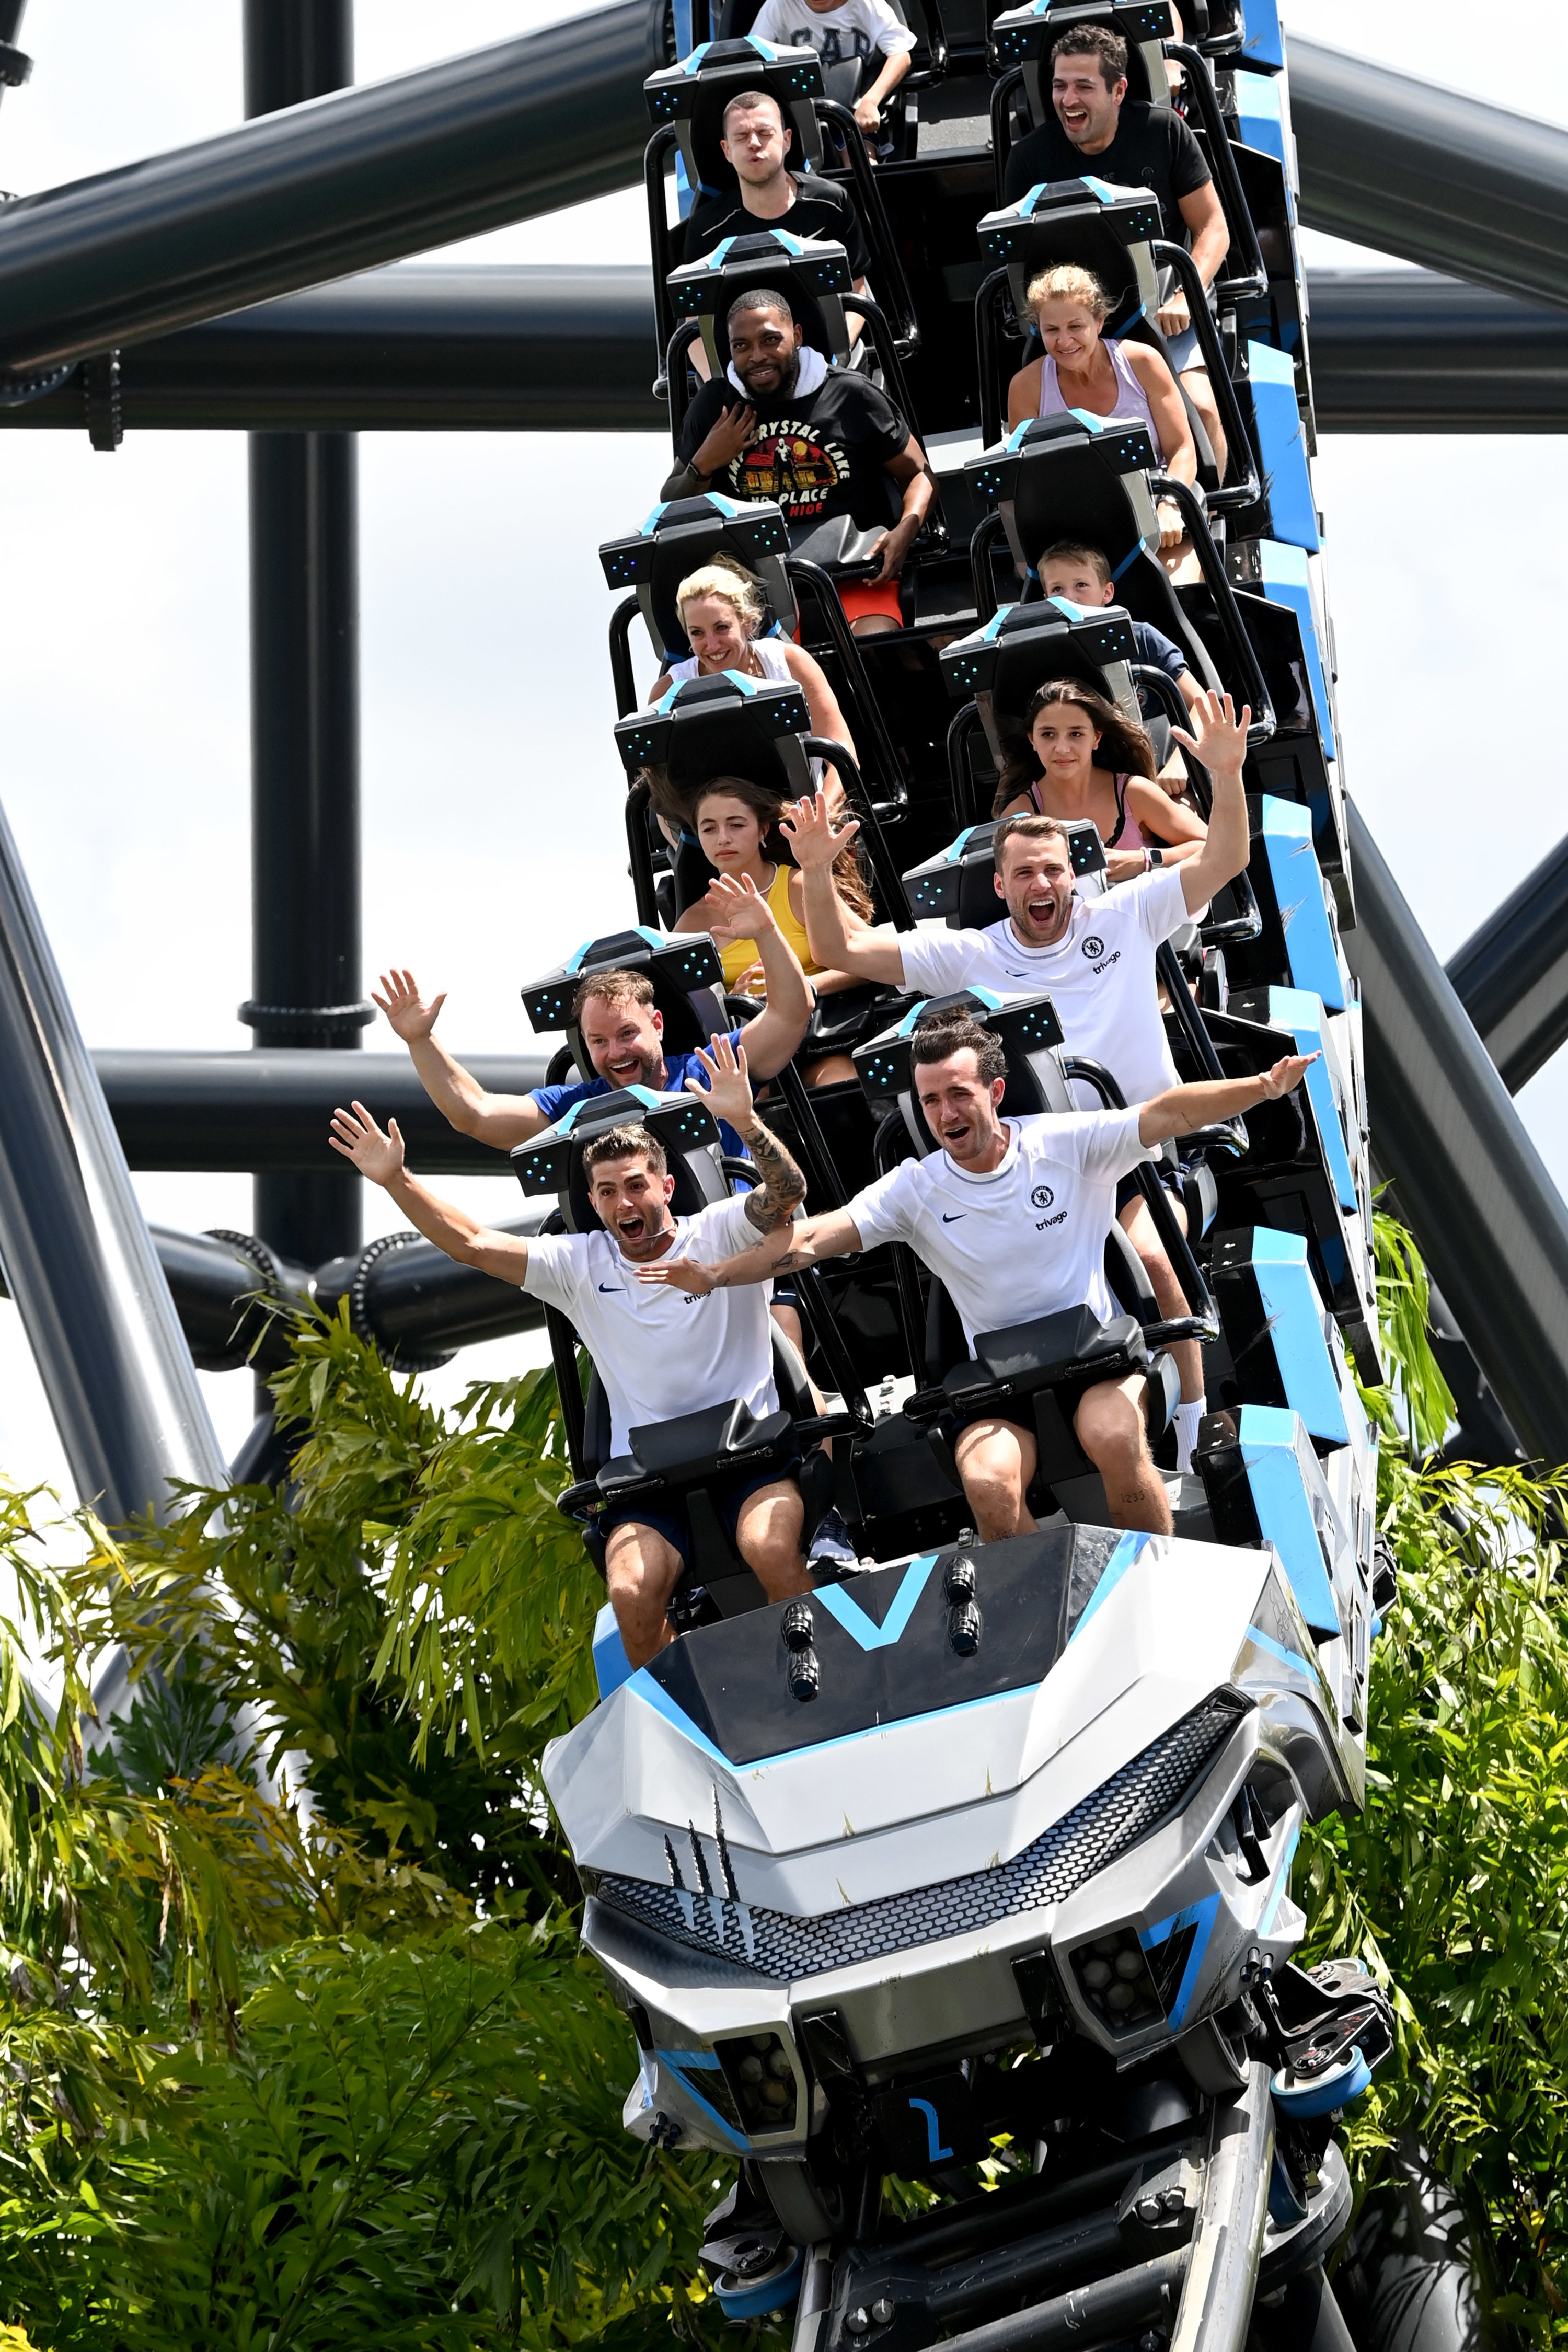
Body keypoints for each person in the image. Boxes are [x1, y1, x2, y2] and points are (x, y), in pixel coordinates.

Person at [784, 687, 1253, 1472]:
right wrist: (815, 872)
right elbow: (845, 952)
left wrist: (1228, 777)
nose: (1042, 887)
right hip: (1026, 1158)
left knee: (1159, 1262)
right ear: (1000, 888)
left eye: (1054, 871)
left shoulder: (1125, 913)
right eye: (1024, 874)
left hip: (1127, 1143)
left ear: (1077, 877)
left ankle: (1195, 1417)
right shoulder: (972, 954)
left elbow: (1226, 859)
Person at [636, 1017, 1316, 1541]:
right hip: (996, 1386)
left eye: (959, 1095)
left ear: (994, 1091)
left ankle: (1157, 1587)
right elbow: (811, 1239)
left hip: (1097, 1360)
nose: (946, 1115)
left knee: (1112, 1436)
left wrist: (1259, 1089)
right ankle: (1063, 1603)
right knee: (988, 1485)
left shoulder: (1063, 1143)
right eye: (930, 1102)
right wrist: (719, 1273)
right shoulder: (915, 1187)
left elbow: (1166, 1114)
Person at [328, 1037, 818, 1668]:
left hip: (752, 1453)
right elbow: (473, 1243)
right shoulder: (580, 1264)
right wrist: (397, 1179)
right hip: (649, 1478)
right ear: (593, 1203)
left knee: (770, 1549)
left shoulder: (720, 1228)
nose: (625, 1203)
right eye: (609, 1192)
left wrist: (745, 1121)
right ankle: (692, 1722)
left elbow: (788, 1193)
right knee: (631, 1592)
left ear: (666, 1185)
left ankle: (825, 1672)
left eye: (636, 1185)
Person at [1002, 24, 1230, 479]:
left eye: (1084, 87)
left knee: (1202, 411)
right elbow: (1014, 256)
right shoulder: (1028, 159)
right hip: (1073, 314)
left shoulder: (1163, 131)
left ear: (1119, 90)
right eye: (1059, 86)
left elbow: (1213, 228)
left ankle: (1201, 519)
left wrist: (1186, 296)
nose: (1068, 100)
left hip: (1162, 303)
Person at [661, 285, 933, 635]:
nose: (757, 356)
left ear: (798, 336)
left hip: (855, 570)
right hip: (761, 589)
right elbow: (670, 508)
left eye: (770, 340)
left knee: (876, 647)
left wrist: (906, 529)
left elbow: (920, 474)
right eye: (741, 346)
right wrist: (705, 463)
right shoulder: (716, 406)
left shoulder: (850, 394)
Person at [372, 955, 809, 1160]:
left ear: (657, 1025)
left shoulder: (708, 1068)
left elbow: (791, 1013)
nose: (616, 1053)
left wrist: (767, 928)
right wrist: (420, 1041)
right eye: (599, 1041)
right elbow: (476, 1115)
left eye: (627, 1034)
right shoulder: (576, 1107)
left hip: (734, 1247)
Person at [674, 777, 875, 1082]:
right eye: (709, 828)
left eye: (737, 825)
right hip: (752, 1055)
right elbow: (681, 1012)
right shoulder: (691, 924)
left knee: (837, 1085)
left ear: (763, 831)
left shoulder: (797, 885)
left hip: (822, 1038)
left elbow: (872, 957)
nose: (723, 838)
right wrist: (732, 1002)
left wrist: (800, 986)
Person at [1006, 264, 1196, 572]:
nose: (1064, 342)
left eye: (1075, 327)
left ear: (1099, 322)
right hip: (1075, 532)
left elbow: (1182, 449)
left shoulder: (1143, 362)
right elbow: (1027, 480)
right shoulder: (1026, 387)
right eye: (1051, 330)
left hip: (1155, 511)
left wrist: (1170, 506)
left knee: (1177, 589)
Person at [681, 89, 872, 376]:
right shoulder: (706, 228)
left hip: (825, 365)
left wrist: (834, 362)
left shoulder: (831, 203)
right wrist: (721, 383)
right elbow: (693, 323)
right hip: (746, 375)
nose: (755, 144)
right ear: (727, 151)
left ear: (787, 140)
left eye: (765, 133)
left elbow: (858, 289)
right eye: (742, 137)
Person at [990, 677, 1207, 878]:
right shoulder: (1019, 815)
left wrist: (1143, 860)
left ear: (1096, 738)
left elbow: (1211, 844)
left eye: (1076, 734)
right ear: (1032, 740)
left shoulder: (1133, 793)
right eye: (1048, 734)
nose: (1062, 748)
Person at [649, 560, 856, 763]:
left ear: (746, 623)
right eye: (697, 633)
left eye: (722, 628)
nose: (712, 646)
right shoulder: (667, 692)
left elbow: (842, 750)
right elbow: (654, 782)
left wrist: (826, 798)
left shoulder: (791, 664)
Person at [745, 0, 915, 147]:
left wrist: (871, 101)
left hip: (855, 106)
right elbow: (753, 56)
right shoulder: (779, 6)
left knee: (861, 157)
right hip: (800, 109)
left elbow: (901, 55)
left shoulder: (867, 5)